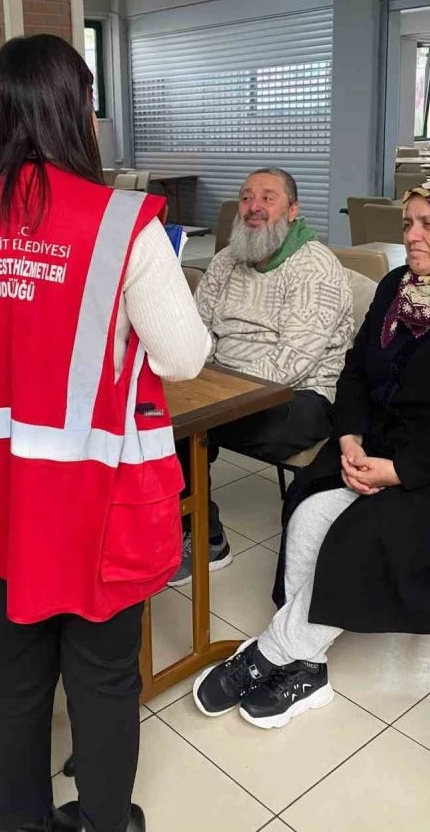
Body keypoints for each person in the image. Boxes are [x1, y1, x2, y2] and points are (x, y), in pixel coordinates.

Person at [0, 34, 210, 832]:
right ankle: (106, 820)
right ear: (77, 110)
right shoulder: (122, 224)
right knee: (103, 674)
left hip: (0, 493)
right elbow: (185, 357)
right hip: (99, 496)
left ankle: (17, 820)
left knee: (15, 668)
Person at [192, 178, 430, 729]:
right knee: (308, 510)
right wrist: (351, 436)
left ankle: (268, 655)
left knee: (362, 535)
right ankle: (308, 669)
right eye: (409, 224)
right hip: (381, 443)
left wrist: (400, 472)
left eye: (429, 225)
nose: (414, 236)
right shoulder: (399, 287)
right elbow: (356, 370)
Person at [169, 167, 354, 585]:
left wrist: (210, 394)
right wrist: (201, 381)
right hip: (226, 386)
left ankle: (201, 538)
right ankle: (194, 530)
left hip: (301, 397)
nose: (254, 207)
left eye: (268, 198)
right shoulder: (226, 260)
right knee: (158, 410)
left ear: (292, 211)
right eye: (247, 197)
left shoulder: (315, 269)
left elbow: (292, 363)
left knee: (182, 424)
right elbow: (200, 331)